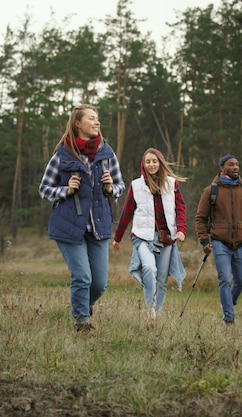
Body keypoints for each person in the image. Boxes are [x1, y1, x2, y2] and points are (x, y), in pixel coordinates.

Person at [39, 104, 125, 332]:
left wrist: (110, 187)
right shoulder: (62, 155)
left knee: (99, 284)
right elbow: (44, 189)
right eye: (92, 119)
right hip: (68, 225)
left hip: (99, 225)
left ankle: (84, 307)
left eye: (98, 119)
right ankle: (81, 322)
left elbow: (119, 186)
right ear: (78, 123)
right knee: (82, 278)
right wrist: (64, 190)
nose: (97, 123)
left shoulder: (107, 153)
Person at [113, 148, 187, 319]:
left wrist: (181, 229)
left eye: (154, 161)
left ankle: (156, 315)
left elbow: (180, 209)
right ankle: (149, 308)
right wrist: (117, 238)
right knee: (148, 268)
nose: (151, 164)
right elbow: (126, 213)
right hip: (143, 237)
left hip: (166, 238)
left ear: (160, 162)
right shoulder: (136, 186)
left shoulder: (172, 183)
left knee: (161, 279)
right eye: (148, 161)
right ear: (143, 164)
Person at [194, 155, 242, 325]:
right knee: (224, 279)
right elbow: (200, 218)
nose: (235, 167)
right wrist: (204, 241)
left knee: (241, 280)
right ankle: (229, 318)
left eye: (237, 164)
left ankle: (229, 303)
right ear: (222, 168)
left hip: (240, 244)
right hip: (219, 243)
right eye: (231, 165)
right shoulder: (211, 191)